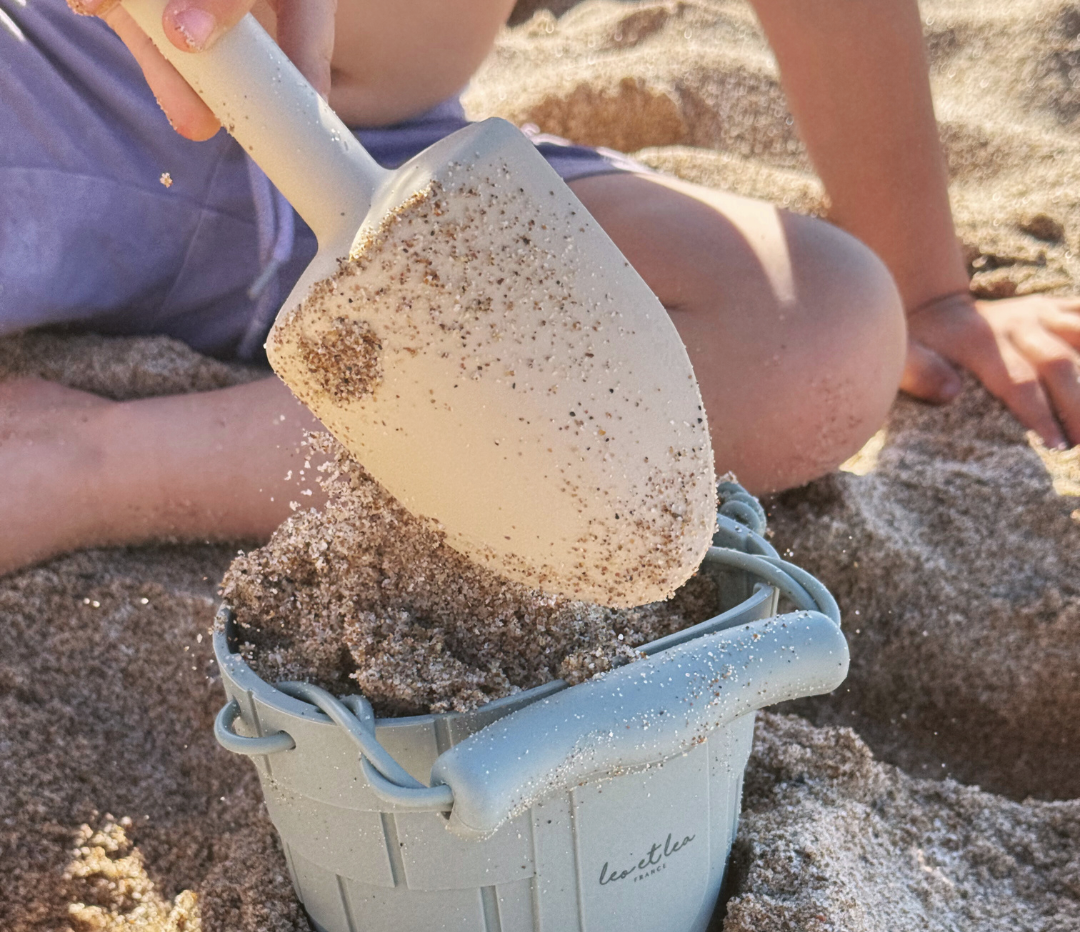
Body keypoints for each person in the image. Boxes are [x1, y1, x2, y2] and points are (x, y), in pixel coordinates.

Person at [1, 0, 1078, 577]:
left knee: (822, 337)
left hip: (397, 163)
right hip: (59, 88)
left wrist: (929, 289)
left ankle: (93, 464)